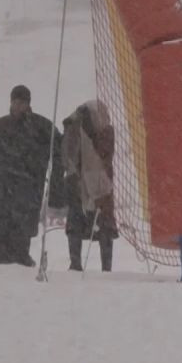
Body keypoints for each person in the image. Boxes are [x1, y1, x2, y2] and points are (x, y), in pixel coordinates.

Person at [0, 86, 62, 266]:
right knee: (1, 226)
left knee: (23, 227)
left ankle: (21, 258)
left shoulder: (42, 126)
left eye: (22, 102)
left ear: (28, 104)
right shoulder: (0, 126)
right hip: (2, 188)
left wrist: (55, 183)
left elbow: (59, 152)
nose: (18, 106)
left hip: (30, 186)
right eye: (15, 102)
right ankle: (0, 260)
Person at [61, 99, 117, 273]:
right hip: (94, 182)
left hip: (87, 181)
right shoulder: (81, 129)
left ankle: (79, 264)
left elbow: (68, 157)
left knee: (85, 222)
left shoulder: (74, 128)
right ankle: (95, 266)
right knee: (98, 222)